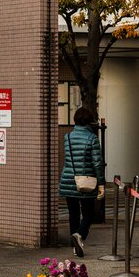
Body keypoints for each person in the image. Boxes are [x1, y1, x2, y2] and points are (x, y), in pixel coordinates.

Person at [59, 106, 105, 258]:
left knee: (73, 213)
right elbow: (97, 163)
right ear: (90, 121)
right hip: (86, 182)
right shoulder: (92, 139)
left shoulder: (68, 138)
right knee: (89, 214)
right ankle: (79, 235)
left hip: (68, 180)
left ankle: (74, 246)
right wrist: (101, 183)